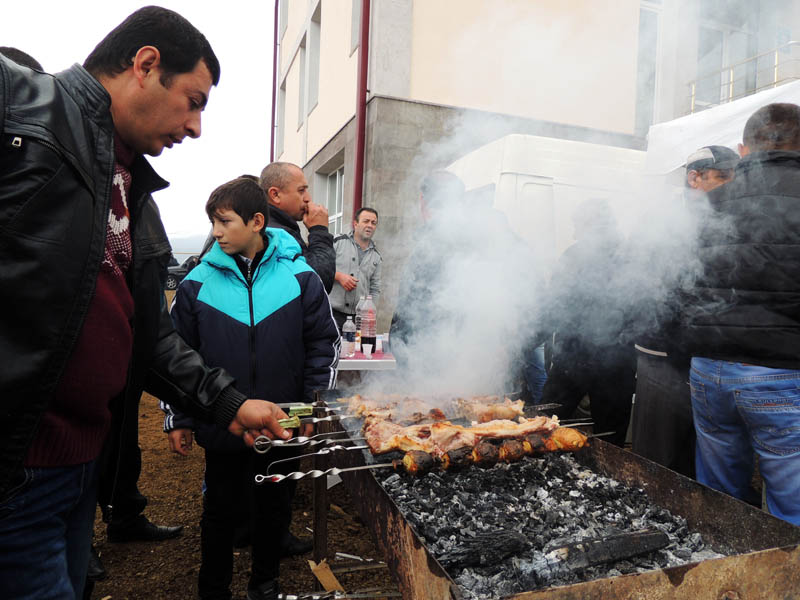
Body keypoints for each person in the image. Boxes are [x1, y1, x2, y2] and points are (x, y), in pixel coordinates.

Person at [0, 8, 294, 599]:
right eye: (193, 100)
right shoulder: (26, 110)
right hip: (17, 472)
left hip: (81, 469)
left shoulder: (135, 190)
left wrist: (229, 403)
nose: (195, 126)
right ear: (146, 65)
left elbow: (147, 334)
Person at [162, 176, 339, 600]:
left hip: (284, 423)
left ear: (257, 221)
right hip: (223, 422)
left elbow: (323, 344)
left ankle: (265, 584)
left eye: (224, 222)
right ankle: (214, 589)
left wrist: (312, 406)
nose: (216, 232)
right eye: (213, 223)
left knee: (274, 510)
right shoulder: (196, 284)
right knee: (220, 513)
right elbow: (175, 358)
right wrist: (179, 417)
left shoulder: (300, 276)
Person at [682, 103, 800, 525]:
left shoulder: (708, 204)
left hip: (709, 368)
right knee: (792, 507)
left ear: (743, 150)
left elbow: (680, 285)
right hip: (783, 372)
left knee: (719, 504)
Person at [629, 145, 738, 478]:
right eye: (722, 177)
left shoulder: (725, 219)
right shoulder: (663, 220)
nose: (731, 184)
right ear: (695, 178)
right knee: (659, 458)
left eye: (735, 177)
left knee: (698, 457)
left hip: (706, 356)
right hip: (662, 354)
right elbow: (652, 287)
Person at [540, 199, 635, 447]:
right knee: (611, 436)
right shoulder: (632, 255)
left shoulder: (574, 255)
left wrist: (529, 339)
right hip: (618, 359)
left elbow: (554, 305)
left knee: (542, 425)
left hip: (575, 355)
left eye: (577, 225)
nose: (574, 232)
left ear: (589, 225)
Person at [259, 162, 336, 292]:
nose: (308, 198)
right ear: (275, 195)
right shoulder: (275, 234)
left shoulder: (276, 226)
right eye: (301, 190)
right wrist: (319, 230)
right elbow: (318, 283)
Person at [329, 208, 382, 330]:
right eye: (366, 221)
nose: (370, 225)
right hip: (332, 313)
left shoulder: (377, 257)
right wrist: (339, 276)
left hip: (359, 319)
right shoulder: (337, 242)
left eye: (373, 223)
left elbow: (375, 289)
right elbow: (319, 269)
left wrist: (370, 315)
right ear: (356, 224)